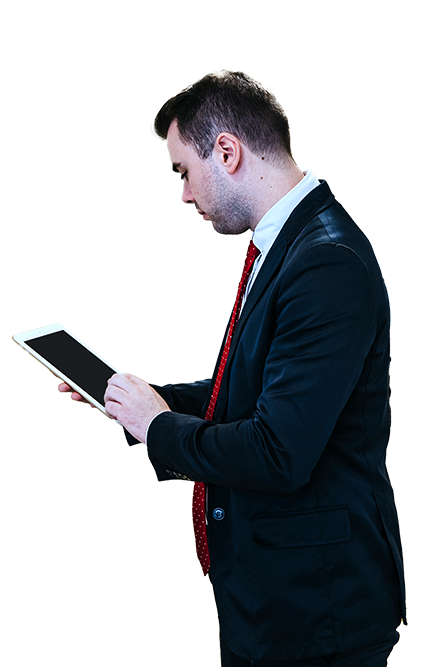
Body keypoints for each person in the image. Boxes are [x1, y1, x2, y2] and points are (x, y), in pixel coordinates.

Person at [59, 70, 406, 666]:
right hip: (276, 601)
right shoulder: (289, 245)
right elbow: (257, 392)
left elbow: (277, 451)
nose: (186, 195)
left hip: (320, 610)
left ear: (227, 151)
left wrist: (158, 427)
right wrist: (139, 400)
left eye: (183, 172)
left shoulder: (326, 262)